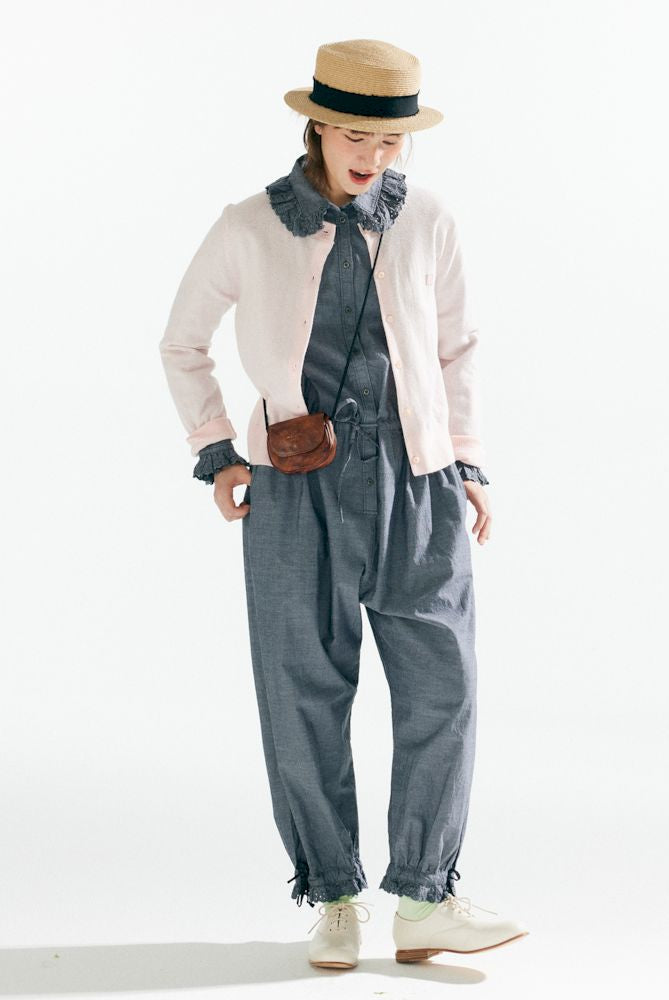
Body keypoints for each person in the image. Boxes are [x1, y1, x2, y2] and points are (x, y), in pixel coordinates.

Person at [159, 38, 528, 970]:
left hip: (418, 481)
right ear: (318, 126)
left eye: (392, 140)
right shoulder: (250, 225)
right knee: (302, 691)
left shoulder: (428, 219)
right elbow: (182, 342)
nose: (375, 155)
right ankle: (331, 896)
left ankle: (425, 899)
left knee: (444, 687)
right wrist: (217, 451)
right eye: (358, 134)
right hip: (296, 488)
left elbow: (458, 347)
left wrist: (468, 463)